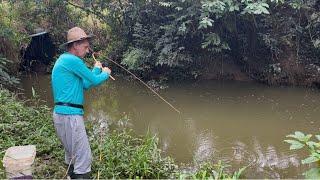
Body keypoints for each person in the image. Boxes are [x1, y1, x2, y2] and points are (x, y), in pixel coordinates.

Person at [51, 27, 111, 179]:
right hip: (71, 116)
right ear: (75, 45)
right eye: (85, 46)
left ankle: (71, 176)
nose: (87, 50)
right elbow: (95, 81)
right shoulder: (73, 60)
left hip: (61, 115)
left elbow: (85, 84)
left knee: (73, 155)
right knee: (84, 158)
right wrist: (105, 73)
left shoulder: (65, 60)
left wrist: (96, 70)